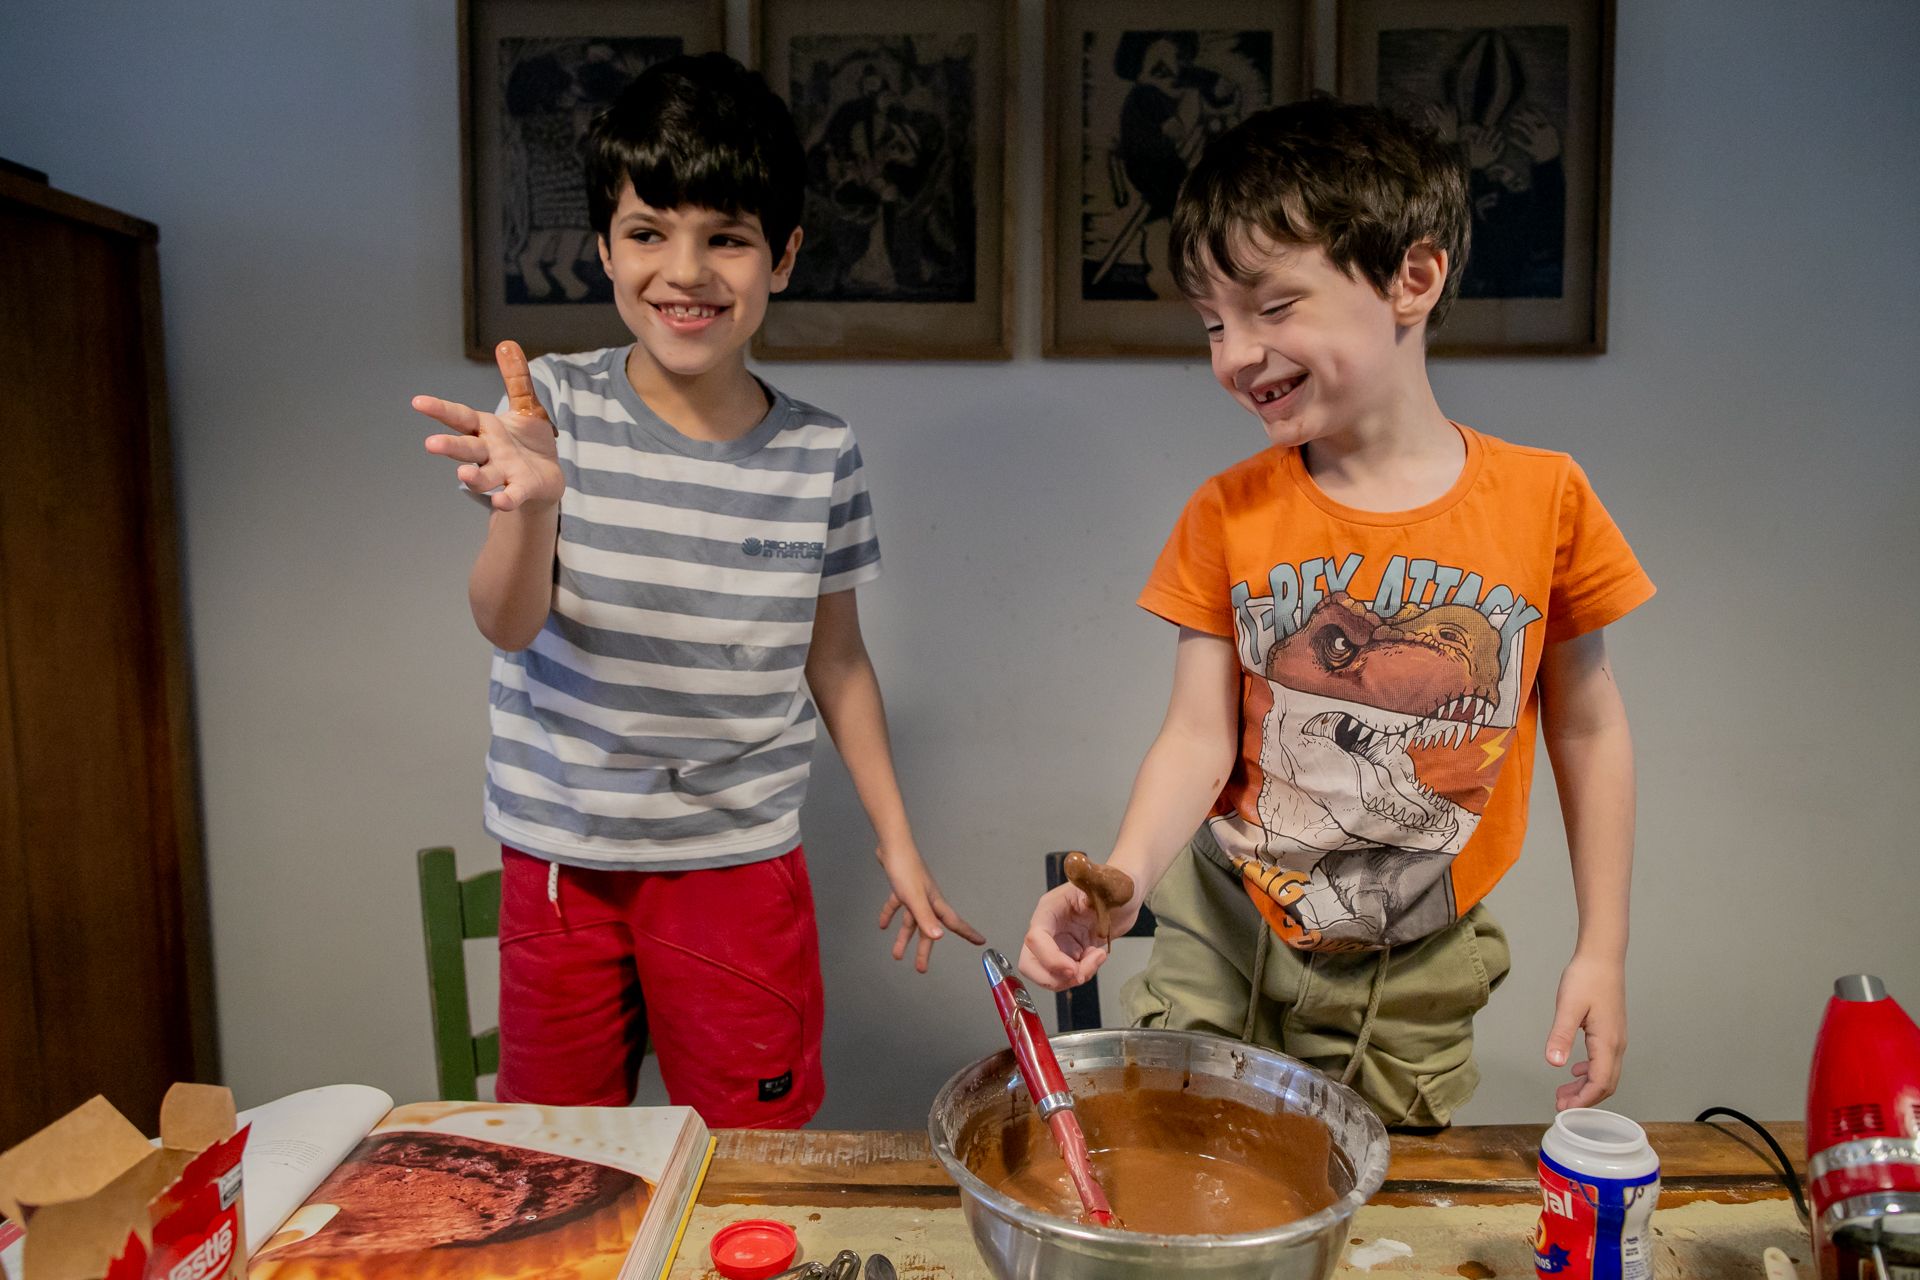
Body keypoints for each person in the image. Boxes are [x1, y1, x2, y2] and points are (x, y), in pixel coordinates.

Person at [1018, 96, 1653, 1129]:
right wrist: (1126, 873)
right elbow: (1195, 735)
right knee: (1184, 1152)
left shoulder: (1549, 501)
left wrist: (1603, 948)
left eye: (1272, 307)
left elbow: (1590, 725)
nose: (1234, 353)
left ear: (1412, 277)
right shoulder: (1225, 512)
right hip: (1225, 922)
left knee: (1374, 1196)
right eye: (1214, 321)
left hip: (1419, 956)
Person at [413, 52, 981, 1127]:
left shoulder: (821, 451)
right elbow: (507, 621)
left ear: (784, 254)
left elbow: (840, 659)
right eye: (648, 232)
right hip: (559, 857)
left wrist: (897, 838)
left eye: (726, 236)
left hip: (733, 861)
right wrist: (529, 502)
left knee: (751, 1144)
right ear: (604, 246)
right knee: (562, 1149)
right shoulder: (552, 408)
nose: (686, 270)